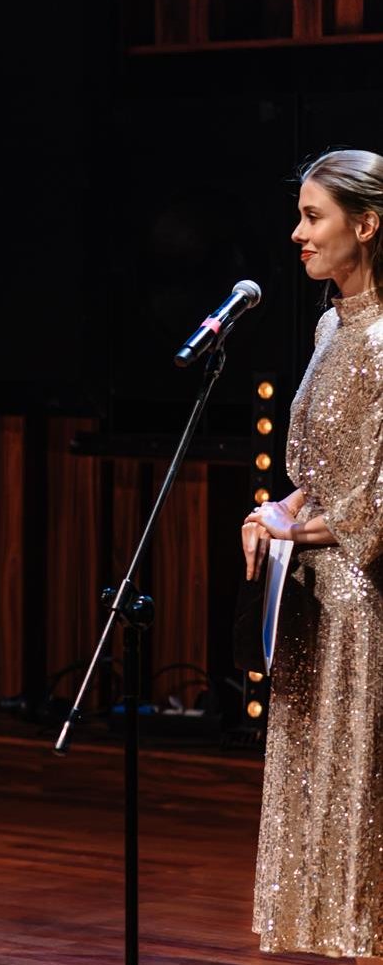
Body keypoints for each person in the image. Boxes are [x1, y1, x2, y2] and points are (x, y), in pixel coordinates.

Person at [248, 148, 383, 959]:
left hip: (364, 599)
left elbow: (376, 500)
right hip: (312, 595)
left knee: (358, 787)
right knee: (315, 781)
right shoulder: (332, 322)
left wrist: (296, 529)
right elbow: (321, 467)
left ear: (366, 226)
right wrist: (276, 511)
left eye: (313, 216)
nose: (297, 233)